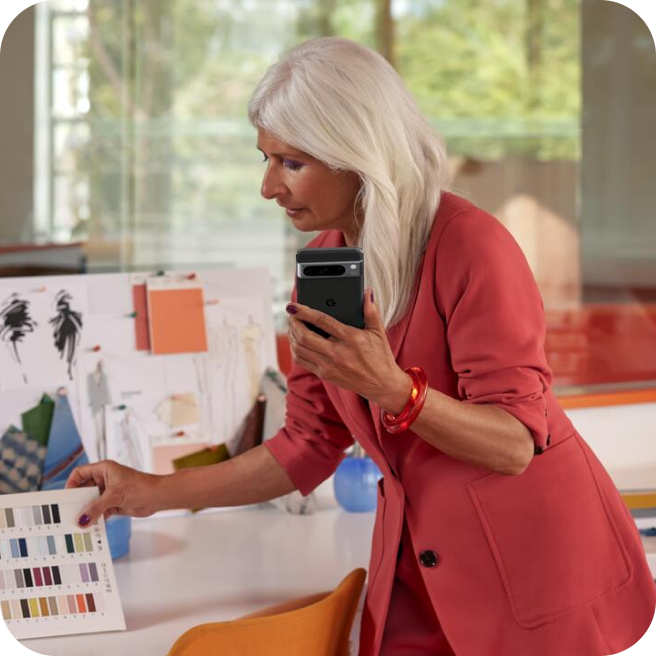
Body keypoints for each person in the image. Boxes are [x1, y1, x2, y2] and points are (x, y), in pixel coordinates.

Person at [66, 36, 655, 656]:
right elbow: (306, 446)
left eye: (290, 163)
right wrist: (147, 492)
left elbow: (514, 444)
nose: (268, 187)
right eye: (264, 159)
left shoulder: (472, 246)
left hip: (541, 568)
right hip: (416, 568)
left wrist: (393, 389)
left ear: (357, 156)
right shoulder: (326, 263)